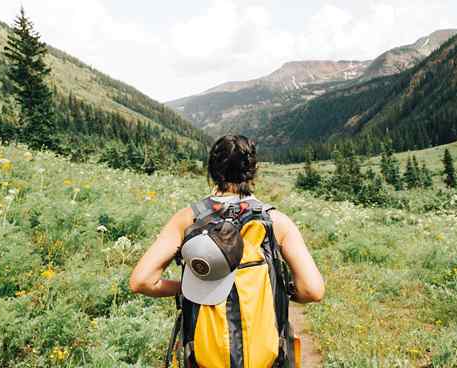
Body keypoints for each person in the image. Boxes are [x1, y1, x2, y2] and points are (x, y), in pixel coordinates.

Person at [129, 135, 324, 367]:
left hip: (205, 357)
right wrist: (280, 288)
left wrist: (191, 287)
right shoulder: (275, 221)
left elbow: (141, 281)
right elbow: (313, 290)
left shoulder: (187, 219)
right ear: (253, 171)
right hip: (265, 358)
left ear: (211, 169)